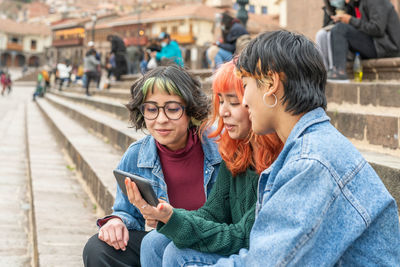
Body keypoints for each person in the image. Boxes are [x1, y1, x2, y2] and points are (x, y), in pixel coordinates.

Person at [199, 30, 400, 266]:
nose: (244, 101)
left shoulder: (312, 160)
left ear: (271, 83)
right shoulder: (313, 144)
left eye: (246, 86)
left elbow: (270, 263)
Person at [131, 61, 282, 266]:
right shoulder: (236, 153)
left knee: (177, 254)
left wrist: (174, 220)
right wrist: (169, 216)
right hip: (235, 242)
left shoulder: (278, 163)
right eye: (220, 102)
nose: (223, 112)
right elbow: (212, 213)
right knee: (153, 242)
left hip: (256, 254)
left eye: (234, 102)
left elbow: (243, 236)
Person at [82, 65, 222, 267]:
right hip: (160, 243)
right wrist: (116, 222)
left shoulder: (218, 148)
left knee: (160, 243)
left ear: (190, 109)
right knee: (98, 249)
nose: (161, 120)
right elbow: (126, 212)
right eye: (151, 109)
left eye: (173, 109)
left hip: (208, 241)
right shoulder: (136, 155)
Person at [329, 0, 400, 80]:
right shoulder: (358, 4)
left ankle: (339, 72)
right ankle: (333, 69)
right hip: (376, 44)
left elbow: (377, 29)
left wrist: (350, 20)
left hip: (386, 47)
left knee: (340, 29)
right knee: (328, 32)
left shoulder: (376, 1)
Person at [315, 0, 355, 73]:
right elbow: (325, 26)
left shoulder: (352, 5)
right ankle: (324, 69)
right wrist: (334, 20)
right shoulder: (328, 9)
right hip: (334, 34)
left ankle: (334, 68)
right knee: (320, 34)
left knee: (332, 33)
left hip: (349, 45)